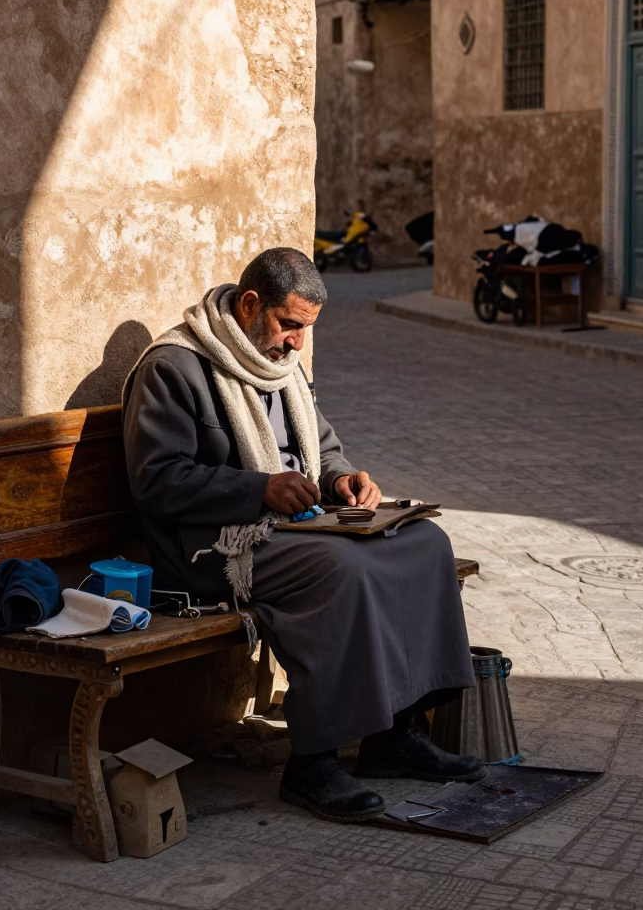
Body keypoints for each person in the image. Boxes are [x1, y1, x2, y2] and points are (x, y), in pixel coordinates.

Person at [122, 248, 482, 823]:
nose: (296, 344)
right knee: (345, 570)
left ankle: (394, 735)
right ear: (249, 305)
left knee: (424, 545)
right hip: (212, 551)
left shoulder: (283, 368)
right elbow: (156, 481)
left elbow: (324, 453)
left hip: (291, 531)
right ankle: (311, 763)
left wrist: (345, 483)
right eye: (289, 325)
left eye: (305, 330)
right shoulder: (176, 367)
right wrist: (258, 489)